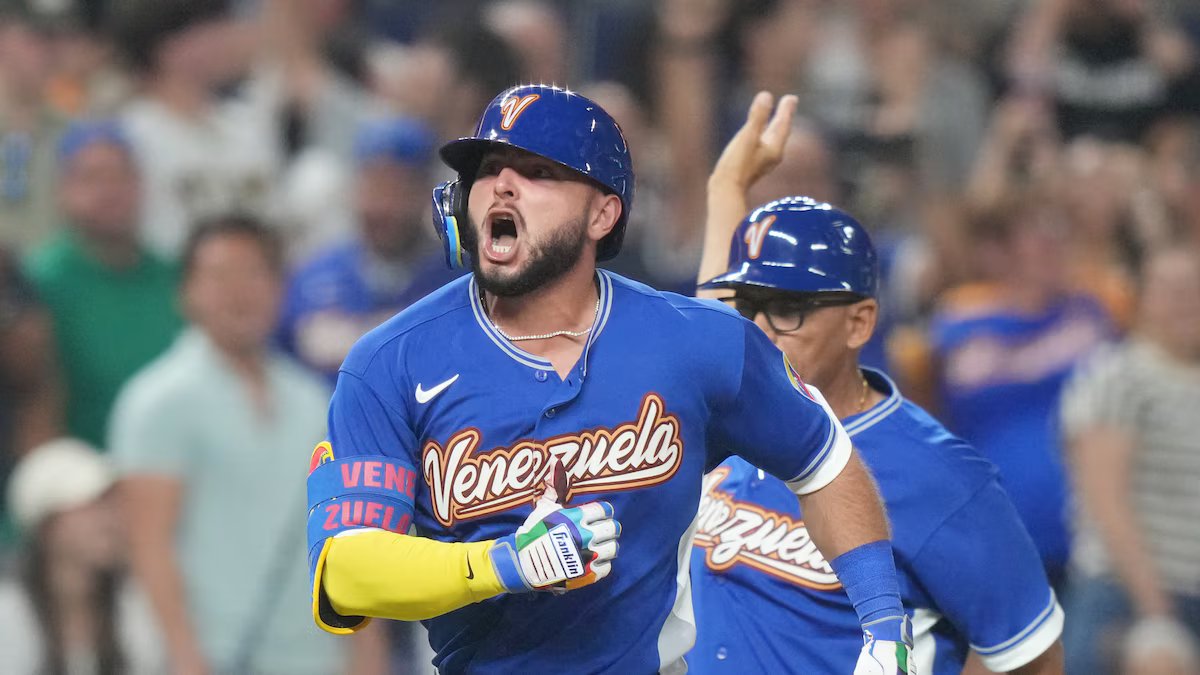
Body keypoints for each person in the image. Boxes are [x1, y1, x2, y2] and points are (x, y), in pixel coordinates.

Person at [305, 84, 914, 674]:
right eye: (488, 170)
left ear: (603, 213)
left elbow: (824, 461)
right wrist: (505, 564)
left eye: (538, 172)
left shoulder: (696, 342)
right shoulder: (390, 361)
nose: (502, 185)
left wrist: (885, 624)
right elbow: (344, 572)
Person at [689, 91, 1065, 675]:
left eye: (788, 309)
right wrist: (726, 188)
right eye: (747, 307)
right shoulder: (727, 408)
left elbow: (1032, 656)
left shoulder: (938, 474)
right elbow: (713, 321)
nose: (758, 332)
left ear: (860, 322)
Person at [110, 216, 343, 674]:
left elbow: (346, 530)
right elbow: (148, 543)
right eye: (219, 275)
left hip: (322, 654)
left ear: (282, 288)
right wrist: (185, 656)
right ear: (185, 293)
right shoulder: (156, 400)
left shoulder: (315, 400)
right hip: (216, 655)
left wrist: (367, 653)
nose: (239, 291)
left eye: (255, 273)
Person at [1059, 246, 1200, 675]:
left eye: (1194, 289)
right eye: (1171, 290)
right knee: (1158, 659)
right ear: (1142, 299)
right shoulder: (1118, 376)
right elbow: (1106, 502)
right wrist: (1157, 611)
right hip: (1129, 593)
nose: (1185, 302)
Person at [24, 120, 182, 452]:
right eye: (91, 178)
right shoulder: (39, 282)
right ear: (62, 191)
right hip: (79, 468)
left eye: (121, 176)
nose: (110, 191)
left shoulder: (174, 278)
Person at [279, 117, 459, 382]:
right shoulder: (311, 278)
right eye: (373, 187)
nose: (383, 206)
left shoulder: (457, 281)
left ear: (425, 193)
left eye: (398, 190)